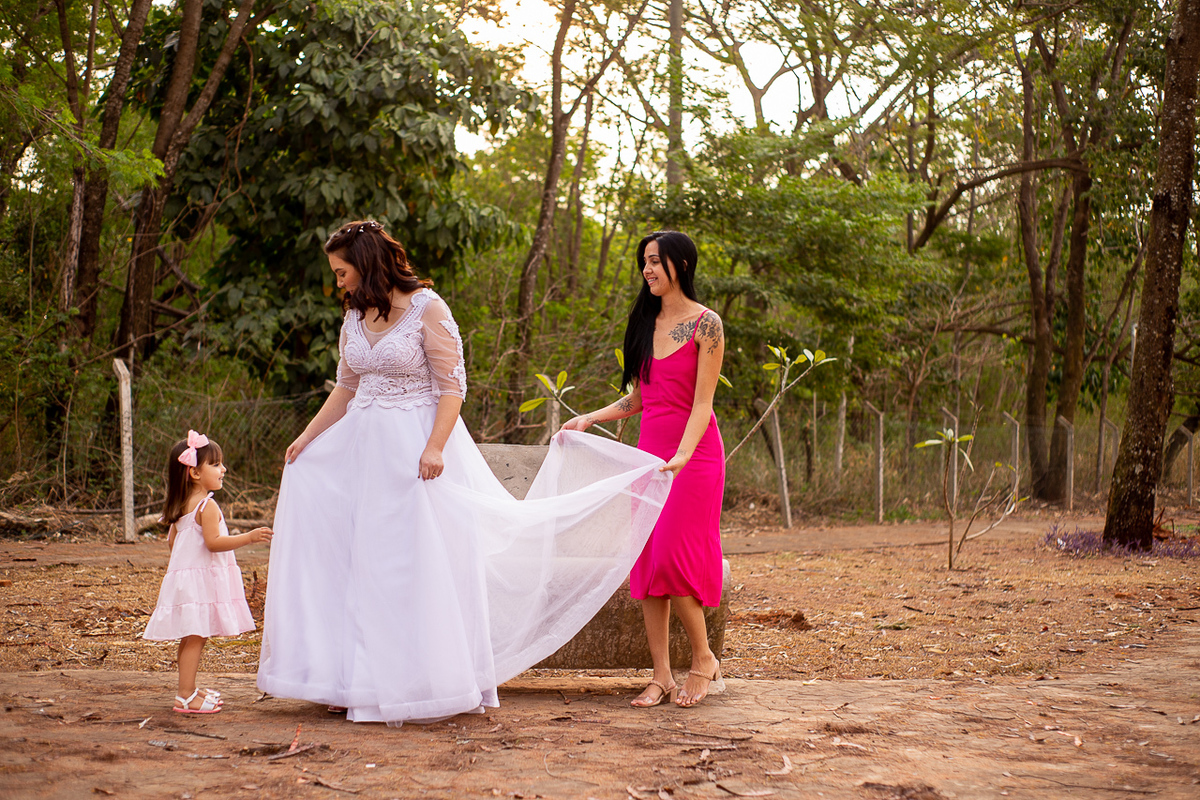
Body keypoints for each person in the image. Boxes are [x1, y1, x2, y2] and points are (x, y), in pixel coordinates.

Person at [257, 220, 673, 726]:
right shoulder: (354, 316)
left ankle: (418, 680)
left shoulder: (428, 310)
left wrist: (434, 448)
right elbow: (346, 387)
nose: (338, 282)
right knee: (355, 560)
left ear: (366, 264)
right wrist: (307, 437)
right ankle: (354, 679)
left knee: (408, 564)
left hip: (415, 449)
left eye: (342, 272)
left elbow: (452, 387)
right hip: (360, 451)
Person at [562, 230, 726, 709]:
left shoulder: (706, 325)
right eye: (644, 262)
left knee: (674, 558)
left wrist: (682, 454)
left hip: (693, 457)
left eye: (655, 261)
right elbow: (640, 397)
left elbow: (702, 405)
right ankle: (661, 676)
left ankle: (703, 659)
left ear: (681, 264)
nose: (647, 270)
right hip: (648, 455)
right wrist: (592, 416)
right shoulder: (643, 321)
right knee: (650, 564)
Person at [143, 430, 274, 714]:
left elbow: (172, 543)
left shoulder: (181, 507)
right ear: (194, 473)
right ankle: (185, 696)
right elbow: (214, 543)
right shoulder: (207, 505)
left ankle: (188, 688)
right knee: (196, 636)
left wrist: (187, 569)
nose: (223, 469)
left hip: (187, 581)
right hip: (199, 584)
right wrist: (248, 537)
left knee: (191, 636)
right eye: (215, 464)